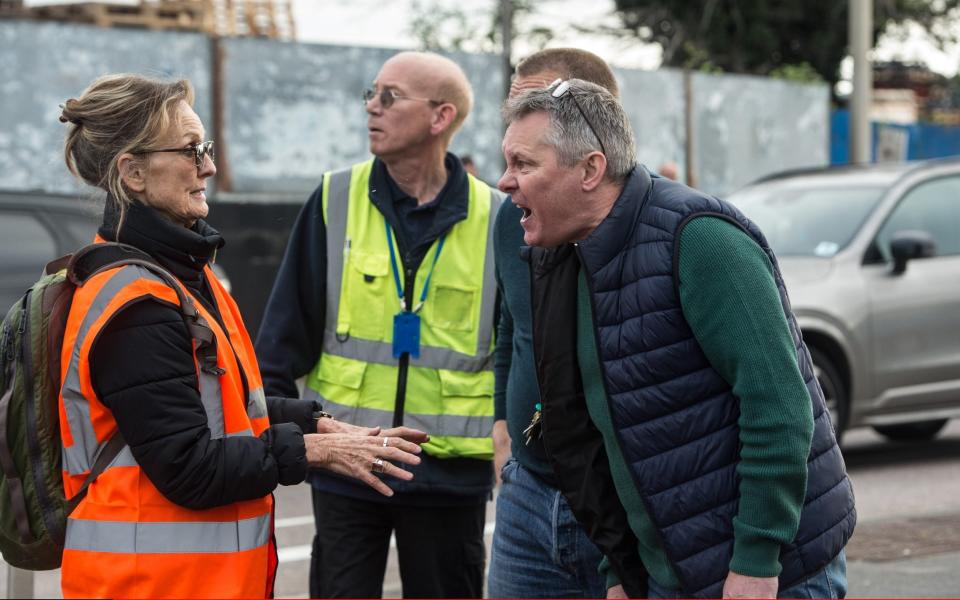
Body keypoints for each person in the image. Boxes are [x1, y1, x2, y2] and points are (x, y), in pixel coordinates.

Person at [56, 73, 425, 599]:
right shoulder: (136, 302)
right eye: (190, 150)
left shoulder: (183, 275)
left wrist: (316, 423)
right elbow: (190, 467)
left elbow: (224, 404)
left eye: (203, 147)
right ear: (133, 172)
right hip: (149, 586)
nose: (208, 166)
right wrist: (314, 452)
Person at [498, 79, 856, 598]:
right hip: (669, 577)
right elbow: (594, 433)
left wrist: (756, 559)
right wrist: (619, 570)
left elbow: (778, 406)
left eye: (523, 164)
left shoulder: (701, 239)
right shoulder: (566, 257)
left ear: (590, 169)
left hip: (768, 575)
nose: (505, 181)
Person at [255, 51, 504, 598]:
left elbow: (518, 352)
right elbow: (280, 340)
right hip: (348, 467)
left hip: (448, 475)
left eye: (390, 96)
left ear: (440, 117)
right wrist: (280, 445)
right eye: (371, 93)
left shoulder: (497, 218)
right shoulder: (334, 198)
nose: (372, 107)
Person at [488, 47, 625, 599]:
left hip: (619, 498)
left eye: (540, 99)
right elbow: (511, 326)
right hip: (528, 492)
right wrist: (502, 423)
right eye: (516, 102)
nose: (521, 114)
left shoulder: (662, 228)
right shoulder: (515, 218)